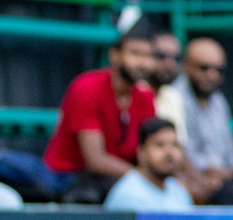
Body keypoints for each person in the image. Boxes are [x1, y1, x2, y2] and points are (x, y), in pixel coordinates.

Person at [41, 26, 159, 202]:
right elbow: (95, 161)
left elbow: (150, 150)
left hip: (118, 179)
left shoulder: (146, 97)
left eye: (148, 56)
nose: (142, 62)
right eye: (135, 53)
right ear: (114, 55)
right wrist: (144, 177)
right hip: (69, 179)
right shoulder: (86, 87)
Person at [156, 37, 233, 201]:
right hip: (189, 177)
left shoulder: (219, 100)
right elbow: (176, 151)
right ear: (186, 66)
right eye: (204, 68)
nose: (211, 75)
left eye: (218, 70)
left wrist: (225, 174)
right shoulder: (171, 97)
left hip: (222, 180)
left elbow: (231, 149)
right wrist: (205, 177)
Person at [103, 118, 193, 212]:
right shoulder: (129, 194)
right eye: (159, 145)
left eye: (175, 145)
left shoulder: (178, 190)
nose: (169, 152)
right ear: (141, 153)